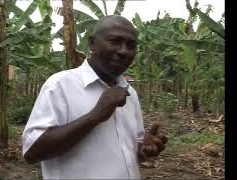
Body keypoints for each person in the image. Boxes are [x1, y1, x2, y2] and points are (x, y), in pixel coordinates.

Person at [22, 15, 168, 179]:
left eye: (131, 45)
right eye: (114, 42)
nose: (123, 51)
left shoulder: (129, 92)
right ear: (91, 43)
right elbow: (32, 152)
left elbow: (126, 152)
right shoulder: (60, 85)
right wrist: (95, 116)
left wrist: (143, 151)